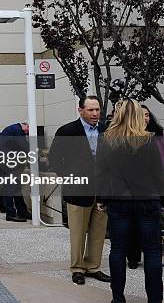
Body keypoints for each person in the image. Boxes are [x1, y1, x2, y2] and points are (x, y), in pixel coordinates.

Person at [96, 99, 164, 303]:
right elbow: (158, 174)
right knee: (152, 252)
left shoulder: (106, 139)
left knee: (117, 250)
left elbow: (101, 173)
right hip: (147, 200)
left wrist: (102, 199)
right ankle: (155, 299)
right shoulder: (149, 140)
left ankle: (118, 298)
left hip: (119, 201)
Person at [49, 96, 110, 285]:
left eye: (97, 110)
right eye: (91, 110)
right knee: (77, 233)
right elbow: (54, 157)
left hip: (101, 191)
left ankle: (93, 266)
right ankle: (77, 268)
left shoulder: (105, 130)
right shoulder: (67, 131)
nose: (95, 114)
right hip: (77, 190)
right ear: (80, 110)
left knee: (98, 232)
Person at [126, 105, 164, 269]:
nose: (146, 118)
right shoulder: (127, 138)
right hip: (133, 189)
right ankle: (133, 256)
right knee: (133, 225)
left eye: (148, 115)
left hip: (156, 185)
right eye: (142, 115)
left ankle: (156, 256)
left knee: (156, 225)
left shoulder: (159, 135)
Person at [0, 122, 32, 222]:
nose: (28, 133)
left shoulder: (12, 129)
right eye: (29, 130)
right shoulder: (17, 131)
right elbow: (25, 147)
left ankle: (22, 212)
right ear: (26, 125)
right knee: (10, 188)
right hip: (10, 163)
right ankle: (11, 213)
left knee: (15, 188)